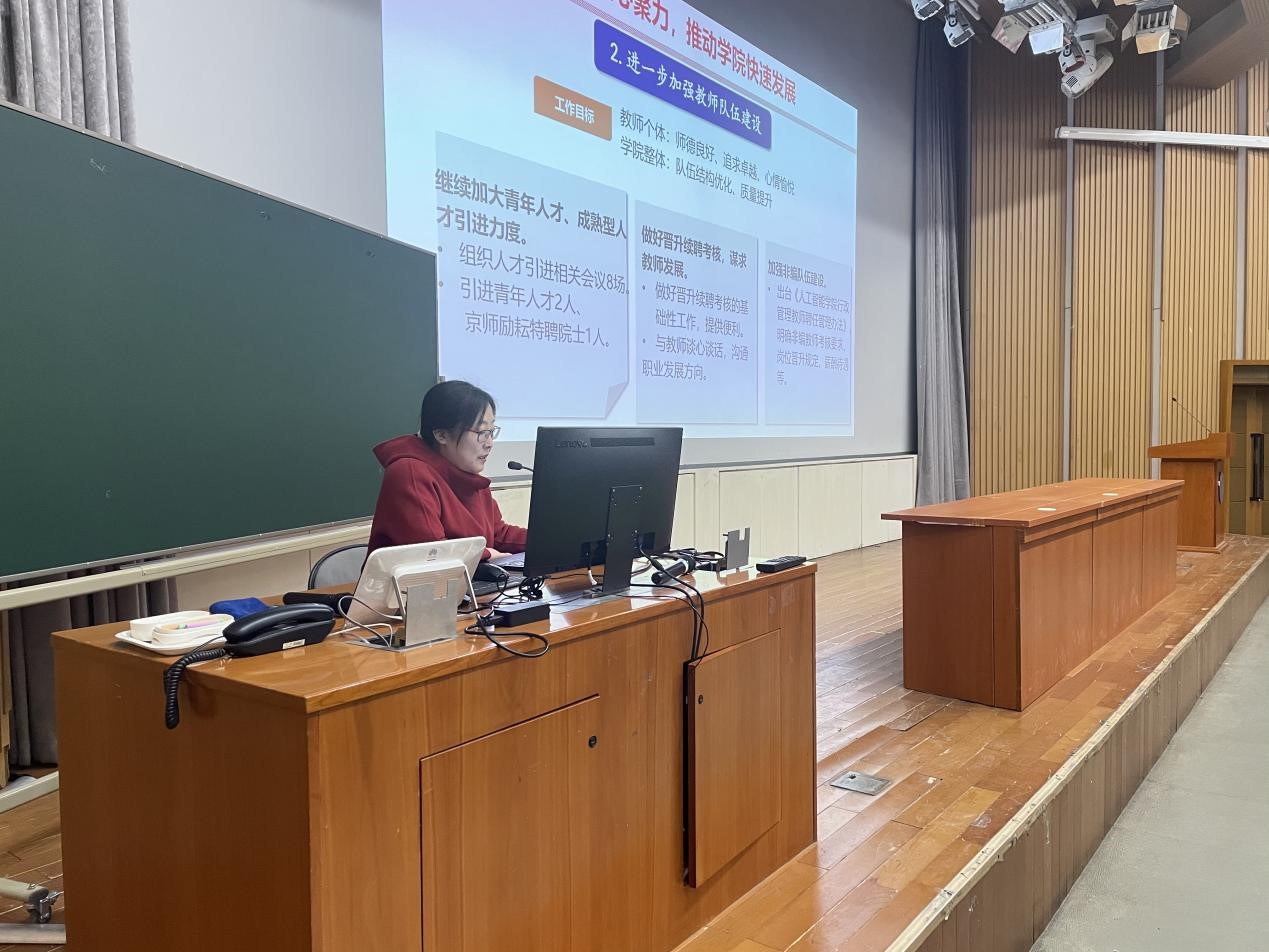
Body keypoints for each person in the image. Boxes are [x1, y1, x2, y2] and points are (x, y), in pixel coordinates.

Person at [368, 380, 526, 560]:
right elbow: (432, 552)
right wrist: (487, 554)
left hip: (469, 576)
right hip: (427, 577)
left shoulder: (468, 474)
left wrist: (547, 540)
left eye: (491, 431)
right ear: (441, 435)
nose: (489, 443)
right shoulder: (409, 472)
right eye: (481, 432)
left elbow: (498, 534)